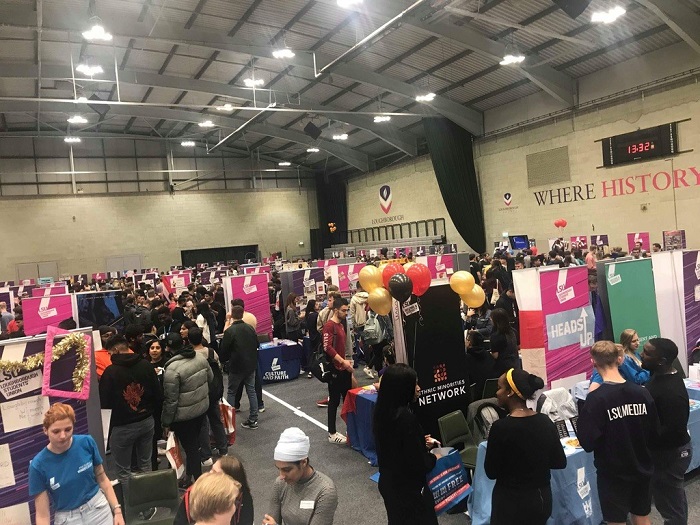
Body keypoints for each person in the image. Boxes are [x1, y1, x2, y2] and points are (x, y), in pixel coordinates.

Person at [578, 341, 658, 525]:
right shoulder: (642, 393)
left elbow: (587, 442)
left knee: (616, 521)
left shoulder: (595, 400)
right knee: (642, 517)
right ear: (620, 360)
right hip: (642, 467)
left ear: (593, 363)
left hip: (612, 474)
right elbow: (654, 432)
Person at [484, 369, 566, 525]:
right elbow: (559, 462)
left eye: (499, 387)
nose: (497, 393)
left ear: (510, 392)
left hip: (510, 504)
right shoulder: (545, 422)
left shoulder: (500, 428)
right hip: (541, 500)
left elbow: (490, 472)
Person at [29, 403, 125, 525]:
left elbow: (103, 479)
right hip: (67, 519)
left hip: (98, 510)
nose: (63, 436)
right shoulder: (38, 465)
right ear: (45, 431)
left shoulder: (86, 443)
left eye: (68, 429)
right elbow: (43, 515)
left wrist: (117, 511)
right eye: (56, 431)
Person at [374, 364, 440, 525]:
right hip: (408, 489)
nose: (419, 388)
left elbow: (396, 447)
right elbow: (417, 463)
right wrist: (433, 456)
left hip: (389, 483)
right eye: (414, 384)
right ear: (403, 388)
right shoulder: (405, 419)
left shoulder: (381, 411)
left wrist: (417, 442)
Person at [641, 338, 692, 524]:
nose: (641, 355)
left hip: (670, 455)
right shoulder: (661, 377)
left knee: (671, 505)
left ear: (661, 361)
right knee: (672, 500)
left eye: (647, 353)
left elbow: (673, 430)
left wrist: (646, 439)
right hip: (665, 453)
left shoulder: (671, 392)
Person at [99, 335, 161, 486]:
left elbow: (104, 402)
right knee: (146, 464)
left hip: (122, 427)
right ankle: (148, 504)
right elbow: (158, 393)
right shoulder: (146, 365)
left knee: (123, 471)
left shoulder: (110, 372)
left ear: (115, 350)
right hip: (146, 421)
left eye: (110, 353)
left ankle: (131, 506)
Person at [162, 332, 214, 487]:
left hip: (183, 417)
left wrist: (166, 422)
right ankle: (190, 476)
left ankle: (198, 482)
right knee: (194, 446)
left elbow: (171, 400)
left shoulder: (172, 369)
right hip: (201, 409)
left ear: (168, 348)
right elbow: (210, 379)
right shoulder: (199, 357)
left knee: (190, 449)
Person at [262, 427, 338, 525]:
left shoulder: (325, 491)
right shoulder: (280, 483)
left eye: (287, 470)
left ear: (303, 462)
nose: (281, 476)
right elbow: (270, 521)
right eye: (278, 469)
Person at [175, 455, 254, 525]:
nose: (209, 474)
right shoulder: (195, 492)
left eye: (215, 473)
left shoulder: (243, 496)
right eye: (211, 470)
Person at [219, 305, 260, 430]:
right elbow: (257, 344)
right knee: (251, 391)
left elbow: (224, 350)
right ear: (242, 314)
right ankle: (253, 418)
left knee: (231, 392)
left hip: (236, 366)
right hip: (251, 364)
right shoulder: (250, 328)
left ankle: (229, 421)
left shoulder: (230, 331)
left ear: (232, 315)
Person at [322, 297, 354, 444]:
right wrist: (342, 362)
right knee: (334, 401)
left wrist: (347, 362)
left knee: (348, 400)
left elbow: (342, 346)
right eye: (343, 310)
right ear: (336, 310)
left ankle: (351, 430)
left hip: (344, 368)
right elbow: (327, 347)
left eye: (347, 310)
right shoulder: (330, 326)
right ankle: (332, 433)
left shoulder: (341, 324)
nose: (346, 313)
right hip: (335, 369)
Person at [465, 331, 499, 401]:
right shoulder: (489, 356)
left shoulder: (466, 359)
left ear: (469, 343)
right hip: (492, 395)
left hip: (475, 397)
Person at [489, 308, 519, 374]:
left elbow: (495, 355)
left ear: (495, 320)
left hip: (503, 368)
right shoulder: (513, 331)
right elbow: (518, 346)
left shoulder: (495, 336)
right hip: (516, 364)